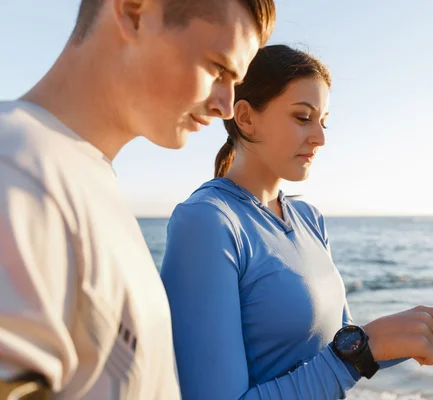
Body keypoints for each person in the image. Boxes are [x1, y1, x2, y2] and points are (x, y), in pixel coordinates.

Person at [160, 44, 433, 399]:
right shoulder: (207, 223)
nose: (320, 137)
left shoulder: (308, 218)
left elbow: (339, 353)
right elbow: (346, 358)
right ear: (245, 118)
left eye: (323, 121)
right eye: (303, 117)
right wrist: (360, 349)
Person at [0, 0, 275, 398]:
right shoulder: (19, 172)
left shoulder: (77, 177)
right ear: (133, 12)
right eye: (218, 68)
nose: (225, 106)